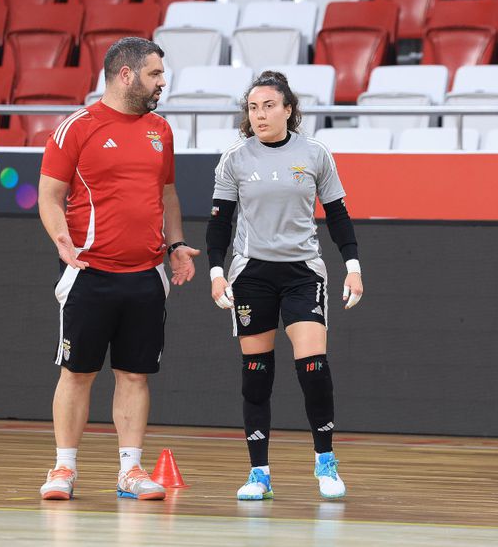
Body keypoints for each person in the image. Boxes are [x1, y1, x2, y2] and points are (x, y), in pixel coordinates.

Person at [36, 37, 199, 501]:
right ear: (126, 75)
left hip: (146, 276)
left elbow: (167, 194)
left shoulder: (160, 130)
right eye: (154, 74)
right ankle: (64, 469)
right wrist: (60, 238)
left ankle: (130, 471)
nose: (162, 82)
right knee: (77, 372)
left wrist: (177, 245)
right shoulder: (76, 128)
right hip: (89, 273)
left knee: (134, 375)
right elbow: (49, 195)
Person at [206, 71, 364, 500]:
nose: (260, 115)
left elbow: (338, 215)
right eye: (253, 107)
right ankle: (259, 473)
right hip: (251, 274)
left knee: (314, 368)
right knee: (256, 375)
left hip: (302, 273)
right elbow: (219, 224)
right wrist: (216, 273)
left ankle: (325, 462)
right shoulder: (235, 159)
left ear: (288, 110)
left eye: (269, 106)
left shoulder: (315, 154)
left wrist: (352, 266)